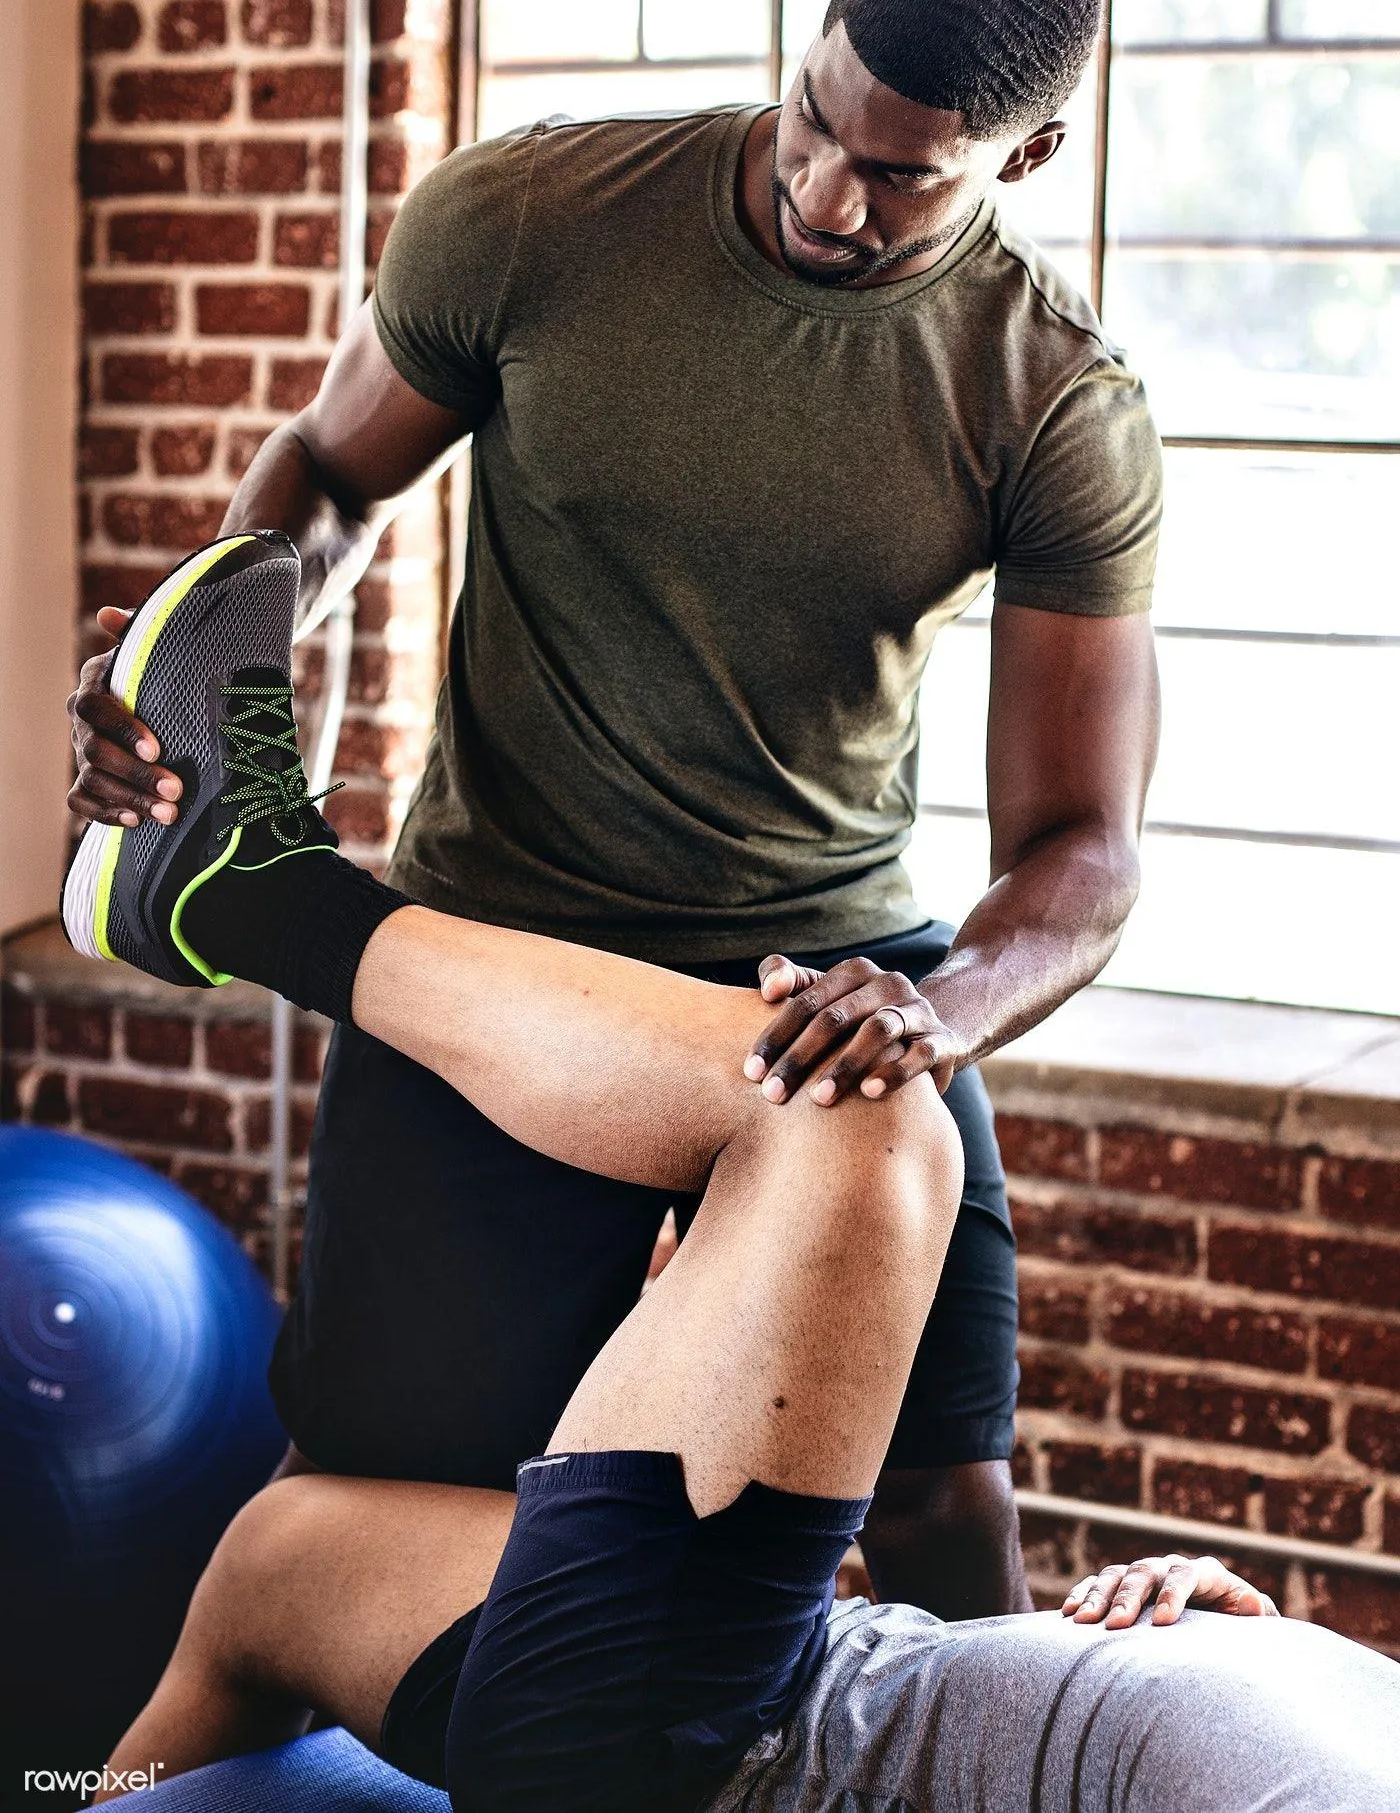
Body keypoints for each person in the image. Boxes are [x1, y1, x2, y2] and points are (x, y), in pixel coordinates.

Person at [66, 0, 1163, 1616]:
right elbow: (333, 476)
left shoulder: (1048, 398)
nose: (826, 190)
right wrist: (212, 686)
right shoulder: (529, 213)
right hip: (498, 942)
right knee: (366, 1477)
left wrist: (936, 1011)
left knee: (947, 1511)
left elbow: (1084, 849)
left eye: (902, 172)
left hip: (818, 988)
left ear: (1020, 163)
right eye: (815, 115)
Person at [75, 539, 1398, 1813]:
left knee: (859, 1114)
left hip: (681, 1745)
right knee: (273, 1560)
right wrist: (1188, 1621)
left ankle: (254, 897)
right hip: (782, 1670)